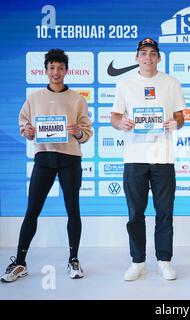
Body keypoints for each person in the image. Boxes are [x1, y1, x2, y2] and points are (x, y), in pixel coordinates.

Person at [1, 49, 93, 283]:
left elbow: (87, 132)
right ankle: (20, 262)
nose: (56, 72)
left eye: (60, 68)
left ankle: (74, 259)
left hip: (70, 160)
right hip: (44, 159)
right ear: (46, 70)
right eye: (52, 68)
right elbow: (25, 125)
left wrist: (78, 132)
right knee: (32, 210)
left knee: (73, 210)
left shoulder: (77, 99)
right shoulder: (34, 98)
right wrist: (28, 131)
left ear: (66, 71)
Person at [111, 37, 185, 281]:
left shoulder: (171, 83)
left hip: (162, 156)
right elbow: (115, 117)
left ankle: (164, 260)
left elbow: (180, 116)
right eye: (143, 53)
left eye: (153, 53)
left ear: (159, 57)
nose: (148, 58)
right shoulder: (124, 84)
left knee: (164, 212)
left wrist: (178, 122)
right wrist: (121, 123)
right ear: (136, 58)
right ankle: (138, 261)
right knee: (136, 213)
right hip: (134, 157)